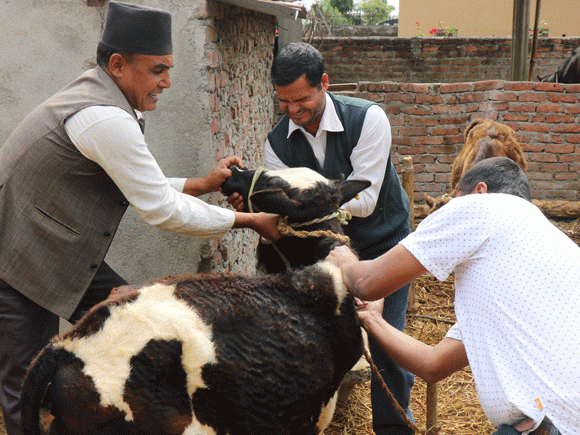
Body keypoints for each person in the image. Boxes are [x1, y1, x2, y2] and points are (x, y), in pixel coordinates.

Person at [0, 3, 280, 435]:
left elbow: (141, 181)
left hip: (60, 250)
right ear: (117, 65)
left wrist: (202, 183)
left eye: (168, 69)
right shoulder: (104, 118)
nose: (166, 82)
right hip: (17, 258)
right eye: (157, 70)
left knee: (129, 310)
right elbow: (159, 208)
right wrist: (250, 221)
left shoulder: (107, 101)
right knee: (26, 381)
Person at [327, 157, 580, 435]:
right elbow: (433, 365)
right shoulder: (530, 271)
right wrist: (373, 320)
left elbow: (367, 283)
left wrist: (340, 258)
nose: (449, 207)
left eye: (454, 198)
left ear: (480, 191)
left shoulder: (483, 208)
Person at [266, 42, 415, 434]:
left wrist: (305, 202)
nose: (293, 112)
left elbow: (364, 201)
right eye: (283, 102)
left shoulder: (368, 118)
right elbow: (283, 204)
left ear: (325, 83)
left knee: (386, 341)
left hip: (384, 242)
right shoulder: (276, 142)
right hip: (323, 250)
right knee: (314, 338)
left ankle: (394, 428)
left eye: (302, 100)